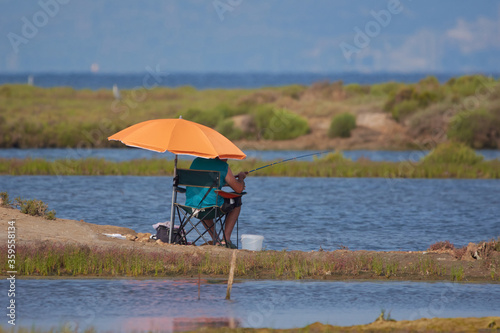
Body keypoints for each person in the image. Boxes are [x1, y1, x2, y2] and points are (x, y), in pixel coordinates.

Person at [185, 157, 247, 248]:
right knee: (237, 199)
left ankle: (216, 240)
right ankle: (226, 240)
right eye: (226, 156)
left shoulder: (197, 161)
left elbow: (207, 184)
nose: (227, 159)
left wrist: (230, 180)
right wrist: (241, 178)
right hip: (212, 208)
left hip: (193, 207)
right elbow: (239, 189)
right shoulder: (223, 166)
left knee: (203, 202)